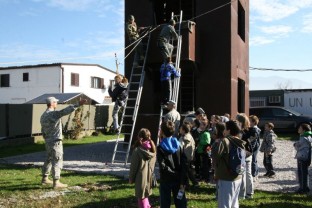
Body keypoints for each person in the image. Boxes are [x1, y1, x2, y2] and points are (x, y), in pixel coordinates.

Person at [40, 96, 87, 189]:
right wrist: (78, 104)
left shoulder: (43, 115)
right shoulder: (52, 114)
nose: (57, 104)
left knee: (49, 159)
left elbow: (43, 130)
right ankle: (56, 182)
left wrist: (46, 138)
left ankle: (45, 178)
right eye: (56, 102)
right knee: (57, 160)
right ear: (52, 103)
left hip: (48, 141)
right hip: (55, 141)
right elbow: (65, 111)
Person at [212, 120, 245, 208]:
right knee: (234, 203)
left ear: (229, 130)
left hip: (226, 176)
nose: (223, 131)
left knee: (224, 204)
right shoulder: (239, 141)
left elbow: (215, 155)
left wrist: (216, 143)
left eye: (225, 128)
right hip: (237, 175)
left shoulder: (224, 141)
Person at [157, 121, 188, 208]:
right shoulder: (179, 145)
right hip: (179, 179)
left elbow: (162, 166)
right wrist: (181, 177)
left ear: (162, 131)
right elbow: (185, 164)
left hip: (166, 180)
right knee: (180, 202)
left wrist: (174, 174)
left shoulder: (160, 148)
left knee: (165, 203)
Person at [129, 128, 157, 208]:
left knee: (141, 198)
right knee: (145, 196)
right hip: (149, 178)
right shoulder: (152, 149)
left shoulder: (137, 151)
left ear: (139, 137)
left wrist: (131, 178)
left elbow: (133, 167)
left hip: (140, 178)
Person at [236, 113, 254, 199]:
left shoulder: (241, 131)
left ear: (240, 122)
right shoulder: (250, 130)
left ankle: (242, 194)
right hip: (248, 153)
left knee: (243, 174)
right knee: (248, 173)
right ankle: (249, 193)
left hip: (243, 153)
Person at [294, 123, 312, 194]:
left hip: (301, 156)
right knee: (305, 173)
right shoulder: (309, 136)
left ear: (304, 130)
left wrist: (295, 144)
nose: (298, 129)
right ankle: (306, 187)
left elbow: (298, 146)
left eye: (300, 128)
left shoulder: (303, 137)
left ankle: (302, 189)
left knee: (301, 173)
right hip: (307, 157)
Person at [179, 122, 198, 187]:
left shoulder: (184, 138)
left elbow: (180, 147)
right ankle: (188, 183)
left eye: (180, 129)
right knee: (187, 170)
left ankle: (189, 183)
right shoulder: (189, 136)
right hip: (189, 156)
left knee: (185, 171)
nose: (179, 130)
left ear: (183, 130)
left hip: (185, 157)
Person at [249, 115, 261, 180]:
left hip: (254, 147)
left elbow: (253, 140)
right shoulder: (253, 129)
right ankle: (256, 172)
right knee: (254, 160)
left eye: (249, 121)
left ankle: (254, 175)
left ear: (253, 122)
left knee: (253, 160)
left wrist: (251, 149)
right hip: (255, 146)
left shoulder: (255, 130)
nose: (248, 122)